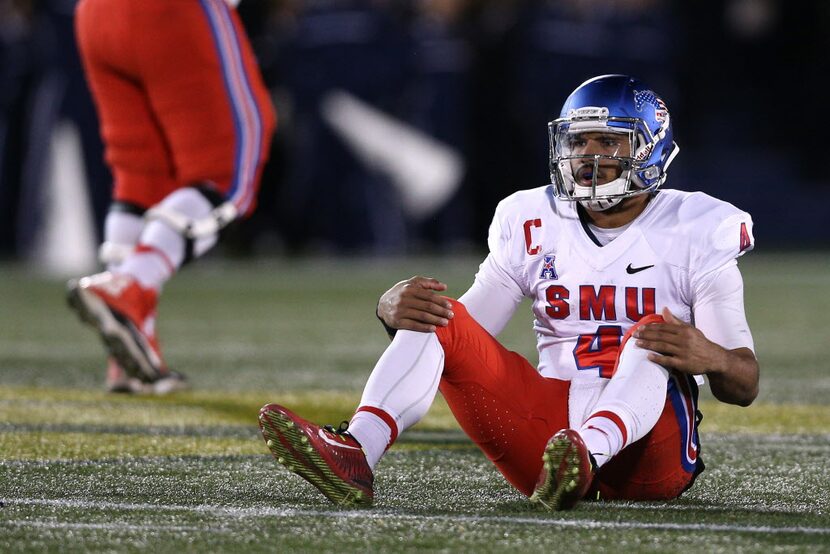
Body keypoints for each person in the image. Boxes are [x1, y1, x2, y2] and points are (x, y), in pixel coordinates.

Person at [258, 74, 759, 510]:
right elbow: (465, 330)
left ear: (649, 147)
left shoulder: (698, 225)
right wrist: (395, 313)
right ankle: (357, 451)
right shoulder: (531, 217)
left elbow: (743, 384)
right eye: (578, 142)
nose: (588, 157)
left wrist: (710, 356)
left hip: (651, 452)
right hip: (548, 437)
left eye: (608, 143)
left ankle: (589, 450)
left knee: (655, 335)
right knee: (441, 314)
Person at [67, 0, 276, 394]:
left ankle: (131, 349)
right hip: (176, 12)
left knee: (142, 175)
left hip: (95, 15)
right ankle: (130, 287)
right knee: (226, 173)